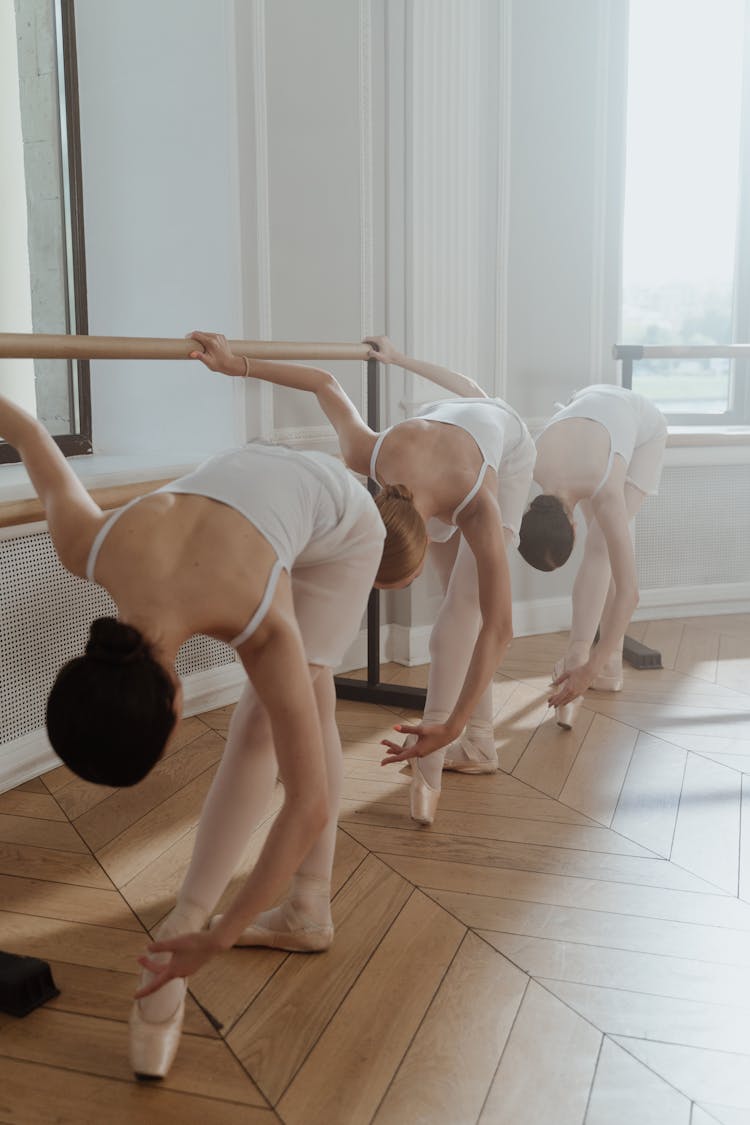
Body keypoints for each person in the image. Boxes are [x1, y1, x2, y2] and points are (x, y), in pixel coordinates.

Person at [0, 372, 385, 1080]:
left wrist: (219, 934)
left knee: (267, 719)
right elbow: (22, 426)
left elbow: (309, 801)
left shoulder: (260, 618)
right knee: (300, 706)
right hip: (257, 485)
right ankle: (306, 906)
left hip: (344, 520)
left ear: (174, 708)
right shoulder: (87, 544)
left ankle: (211, 916)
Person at [191, 333, 537, 828]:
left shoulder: (478, 505)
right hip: (444, 432)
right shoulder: (372, 455)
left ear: (419, 551)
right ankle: (479, 744)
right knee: (455, 609)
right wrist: (233, 364)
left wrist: (448, 724)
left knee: (463, 612)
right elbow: (323, 382)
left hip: (503, 449)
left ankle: (436, 759)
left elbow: (500, 629)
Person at [518, 384, 667, 728]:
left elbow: (631, 593)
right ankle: (607, 662)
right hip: (591, 409)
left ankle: (581, 656)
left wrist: (587, 668)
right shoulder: (532, 464)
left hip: (643, 428)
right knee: (602, 546)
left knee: (600, 544)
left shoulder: (604, 487)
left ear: (571, 527)